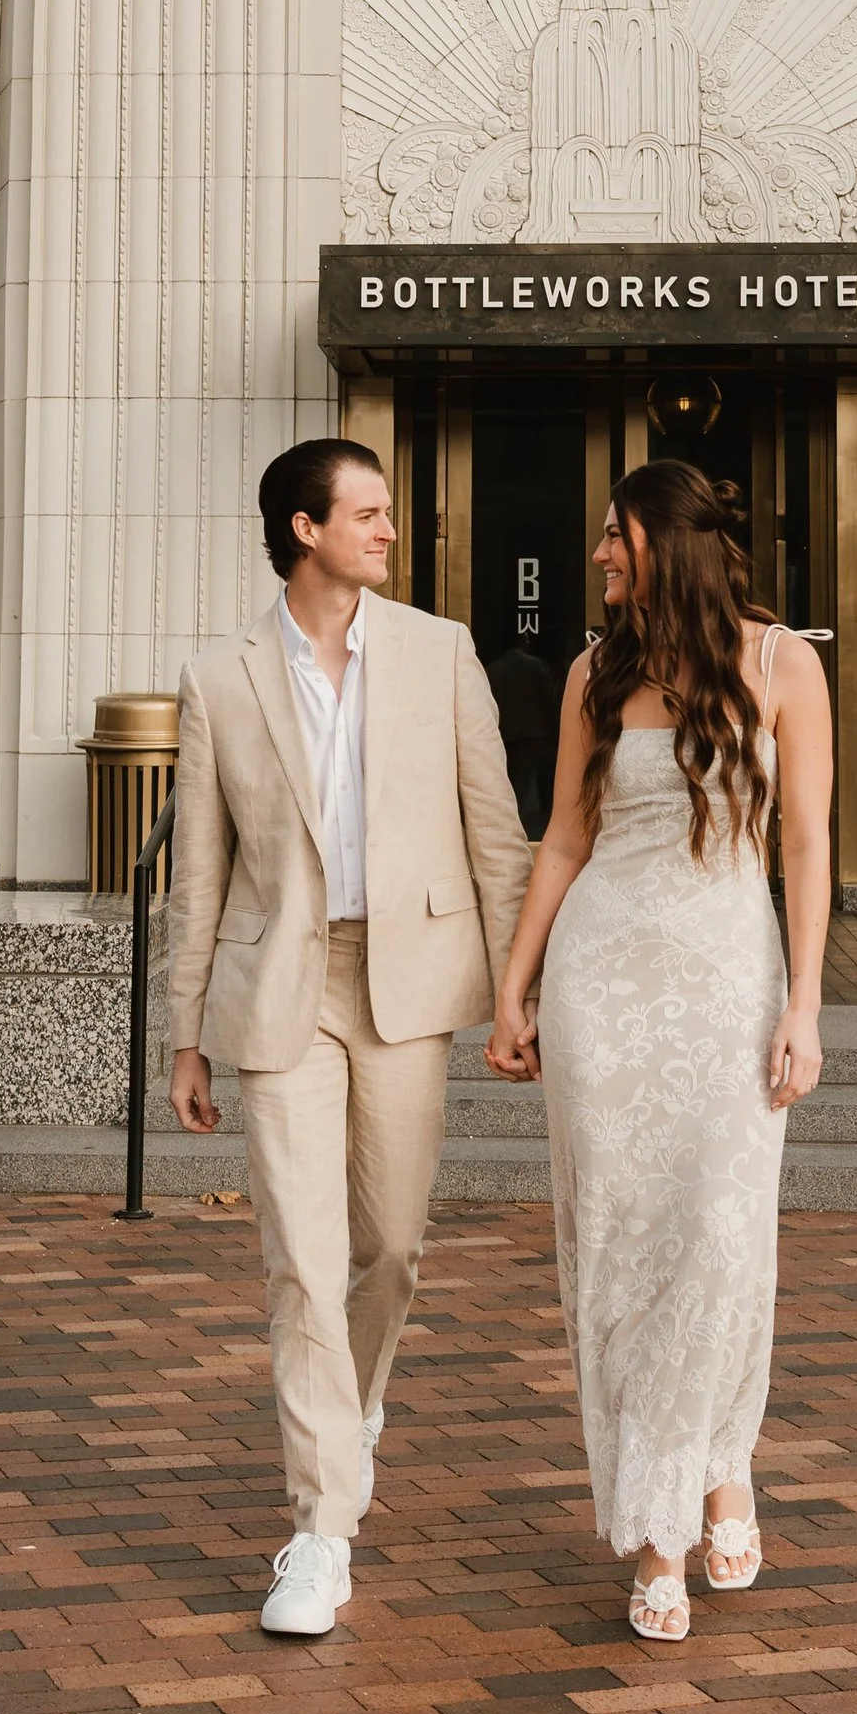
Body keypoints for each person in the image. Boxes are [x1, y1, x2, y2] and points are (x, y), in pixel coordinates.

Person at [169, 438, 533, 1638]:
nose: (388, 530)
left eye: (386, 513)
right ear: (304, 530)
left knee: (389, 1249)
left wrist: (519, 989)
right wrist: (184, 1035)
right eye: (366, 514)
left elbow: (496, 832)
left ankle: (353, 1406)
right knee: (300, 1261)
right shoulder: (220, 676)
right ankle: (321, 1528)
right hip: (283, 986)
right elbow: (199, 871)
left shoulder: (438, 652)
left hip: (406, 979)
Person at [485, 462, 831, 1643]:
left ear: (668, 542)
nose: (597, 553)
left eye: (614, 534)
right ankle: (658, 1533)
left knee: (724, 1244)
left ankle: (721, 1462)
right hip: (604, 985)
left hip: (731, 979)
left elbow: (809, 849)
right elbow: (563, 841)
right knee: (622, 1251)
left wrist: (808, 1005)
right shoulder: (595, 672)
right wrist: (513, 988)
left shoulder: (787, 666)